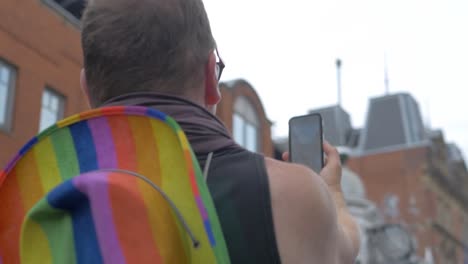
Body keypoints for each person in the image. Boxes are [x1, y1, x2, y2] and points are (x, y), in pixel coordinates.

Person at [79, 0, 360, 263]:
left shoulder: (46, 190)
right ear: (211, 79)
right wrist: (331, 192)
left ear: (87, 90)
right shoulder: (290, 195)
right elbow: (344, 246)